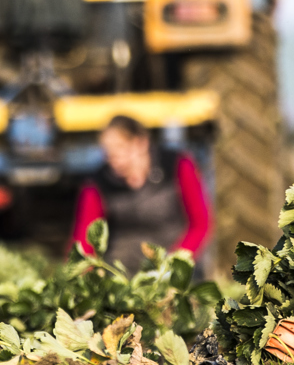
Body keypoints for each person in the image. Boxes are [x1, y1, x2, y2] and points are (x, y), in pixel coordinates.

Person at [70, 115, 211, 269]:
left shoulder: (177, 165)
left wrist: (175, 265)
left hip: (174, 268)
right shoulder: (96, 183)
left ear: (141, 143)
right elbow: (85, 238)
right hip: (122, 274)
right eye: (108, 153)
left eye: (121, 148)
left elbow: (200, 224)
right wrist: (79, 272)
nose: (115, 158)